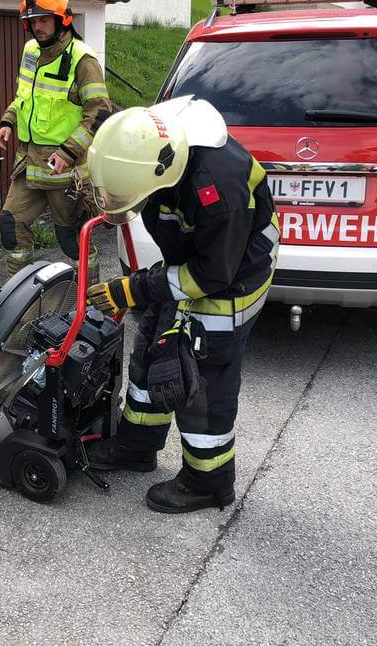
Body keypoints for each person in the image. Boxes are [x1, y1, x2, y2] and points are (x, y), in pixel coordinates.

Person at [84, 97, 279, 514]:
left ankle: (209, 482)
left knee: (201, 371)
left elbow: (211, 276)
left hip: (236, 274)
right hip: (200, 258)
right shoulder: (150, 147)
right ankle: (136, 447)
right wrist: (150, 290)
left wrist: (135, 289)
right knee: (155, 344)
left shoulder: (218, 189)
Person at [0, 0, 111, 280]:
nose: (37, 27)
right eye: (33, 21)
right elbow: (25, 95)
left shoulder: (82, 59)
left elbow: (99, 112)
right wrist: (8, 121)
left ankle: (90, 296)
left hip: (66, 171)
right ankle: (18, 292)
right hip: (30, 163)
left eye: (44, 20)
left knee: (72, 240)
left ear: (62, 20)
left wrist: (68, 151)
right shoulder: (30, 51)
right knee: (11, 223)